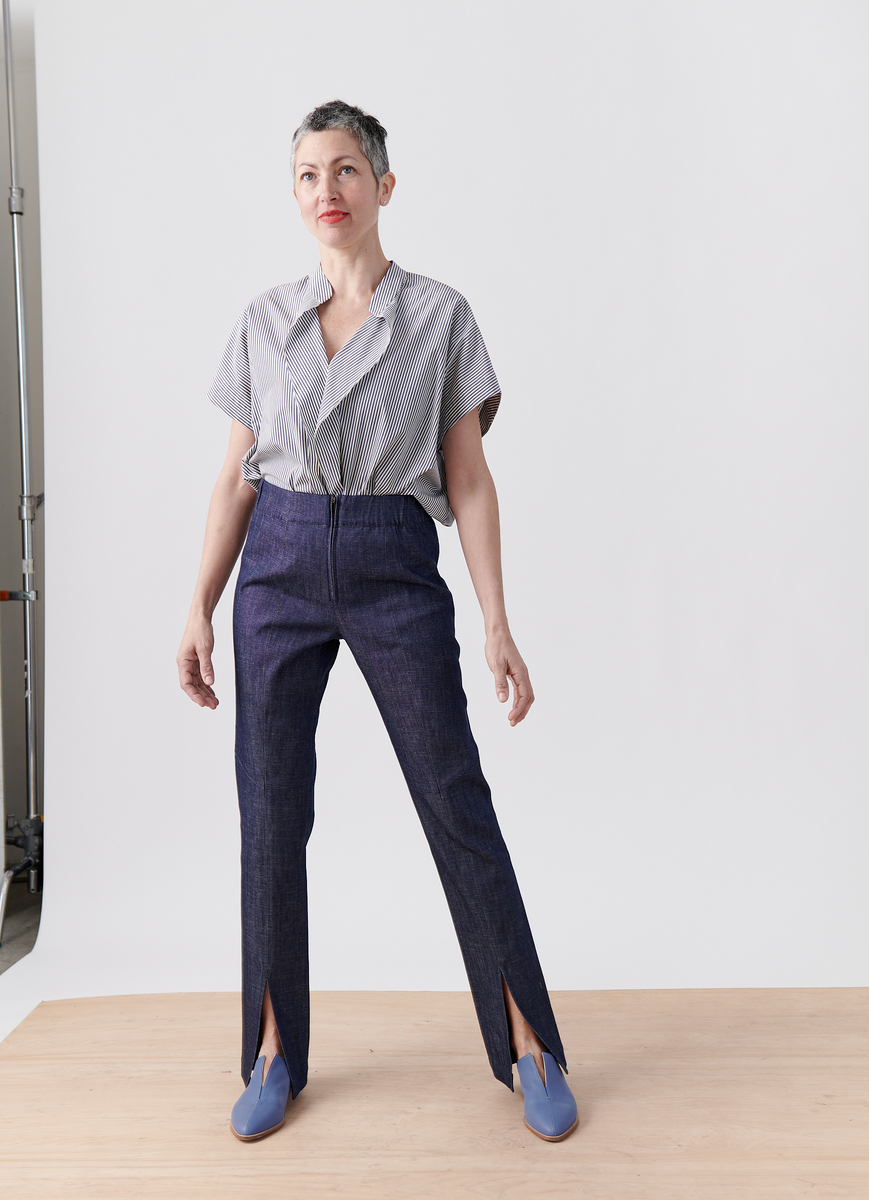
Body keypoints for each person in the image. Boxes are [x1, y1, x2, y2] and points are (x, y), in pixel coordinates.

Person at [176, 99, 578, 1144]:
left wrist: (496, 620)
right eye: (308, 174)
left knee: (454, 800)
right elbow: (233, 481)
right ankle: (272, 1052)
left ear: (384, 186)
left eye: (346, 170)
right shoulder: (263, 321)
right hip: (278, 572)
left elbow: (472, 482)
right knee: (270, 814)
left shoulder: (441, 317)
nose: (327, 192)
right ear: (295, 194)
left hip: (397, 564)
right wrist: (198, 607)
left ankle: (530, 1045)